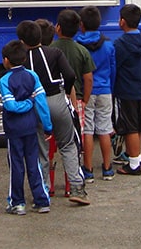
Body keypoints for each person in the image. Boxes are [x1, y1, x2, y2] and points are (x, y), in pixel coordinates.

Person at [16, 20, 89, 205]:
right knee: (68, 143)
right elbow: (70, 74)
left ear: (22, 40)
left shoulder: (23, 57)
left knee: (40, 149)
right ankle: (77, 188)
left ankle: (43, 191)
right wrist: (66, 91)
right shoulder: (55, 53)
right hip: (56, 99)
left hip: (35, 104)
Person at [0, 40, 53, 215]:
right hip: (31, 127)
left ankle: (18, 203)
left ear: (6, 60)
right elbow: (42, 103)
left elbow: (11, 106)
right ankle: (41, 200)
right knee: (34, 164)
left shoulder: (5, 80)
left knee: (16, 165)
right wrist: (47, 126)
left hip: (13, 130)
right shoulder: (32, 76)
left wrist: (25, 103)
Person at [49, 10, 95, 179]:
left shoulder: (50, 49)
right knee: (74, 141)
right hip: (77, 101)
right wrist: (86, 98)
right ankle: (74, 177)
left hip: (54, 99)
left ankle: (50, 179)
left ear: (58, 28)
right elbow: (88, 78)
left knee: (52, 143)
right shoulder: (81, 50)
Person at [75, 6, 116, 181]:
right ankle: (107, 168)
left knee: (88, 130)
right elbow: (113, 70)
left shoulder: (78, 44)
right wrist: (110, 87)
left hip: (86, 92)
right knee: (105, 129)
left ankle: (88, 169)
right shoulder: (108, 44)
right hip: (105, 90)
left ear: (81, 25)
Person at [113, 4, 141, 176]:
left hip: (125, 89)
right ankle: (135, 156)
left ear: (123, 21)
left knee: (130, 127)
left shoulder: (120, 44)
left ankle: (134, 164)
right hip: (139, 88)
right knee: (137, 125)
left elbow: (115, 66)